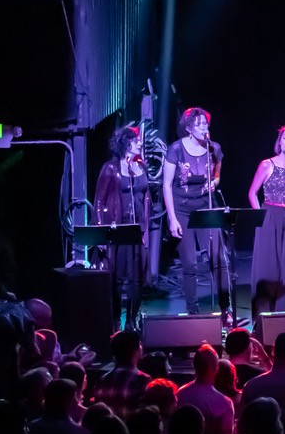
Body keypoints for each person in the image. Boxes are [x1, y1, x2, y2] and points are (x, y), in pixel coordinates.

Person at [162, 107, 228, 316]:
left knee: (218, 258)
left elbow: (217, 176)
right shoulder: (176, 149)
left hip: (204, 206)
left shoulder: (214, 149)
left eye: (205, 124)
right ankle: (193, 312)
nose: (203, 128)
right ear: (189, 128)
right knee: (189, 263)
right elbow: (166, 185)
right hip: (181, 209)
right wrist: (172, 219)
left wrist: (214, 184)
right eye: (199, 125)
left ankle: (226, 309)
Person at [248, 124, 285, 321]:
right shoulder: (267, 164)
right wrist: (260, 218)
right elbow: (252, 193)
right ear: (280, 140)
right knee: (268, 268)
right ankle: (263, 317)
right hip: (270, 215)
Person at [93, 125, 151, 328]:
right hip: (117, 231)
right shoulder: (110, 168)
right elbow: (99, 201)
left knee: (137, 278)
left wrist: (146, 233)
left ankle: (132, 320)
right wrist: (101, 232)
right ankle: (116, 319)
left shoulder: (141, 167)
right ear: (126, 143)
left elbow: (146, 199)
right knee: (116, 278)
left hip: (137, 230)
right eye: (136, 141)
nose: (140, 144)